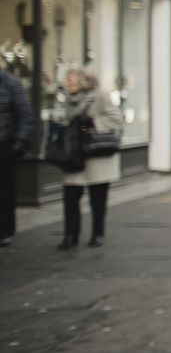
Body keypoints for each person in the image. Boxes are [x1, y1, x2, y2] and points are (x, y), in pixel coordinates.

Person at [52, 68, 124, 250]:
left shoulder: (99, 96)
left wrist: (92, 122)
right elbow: (59, 119)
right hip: (73, 155)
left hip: (96, 155)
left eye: (71, 80)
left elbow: (116, 120)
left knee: (97, 198)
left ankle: (97, 234)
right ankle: (70, 235)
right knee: (70, 195)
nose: (68, 83)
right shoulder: (64, 99)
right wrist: (58, 118)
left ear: (83, 81)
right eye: (67, 80)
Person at [0, 67, 34, 246]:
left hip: (4, 145)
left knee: (5, 191)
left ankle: (5, 231)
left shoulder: (9, 82)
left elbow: (25, 113)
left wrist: (20, 142)